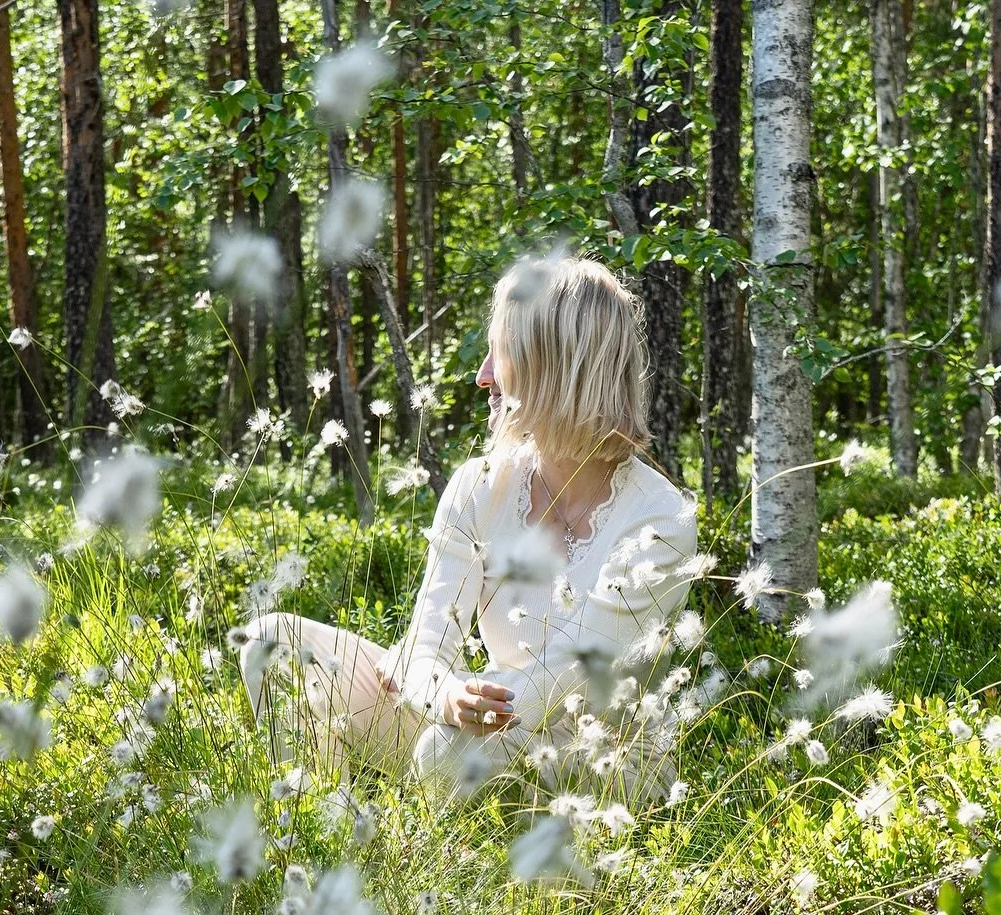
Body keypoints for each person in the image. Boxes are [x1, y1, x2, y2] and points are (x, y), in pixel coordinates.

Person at [238, 253, 698, 805]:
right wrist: (445, 693)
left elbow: (565, 678)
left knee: (445, 753)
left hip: (600, 763)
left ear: (554, 369)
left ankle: (444, 829)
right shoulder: (480, 484)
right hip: (476, 727)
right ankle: (318, 826)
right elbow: (423, 647)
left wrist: (461, 708)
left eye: (499, 355)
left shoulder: (659, 521)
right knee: (270, 641)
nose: (482, 377)